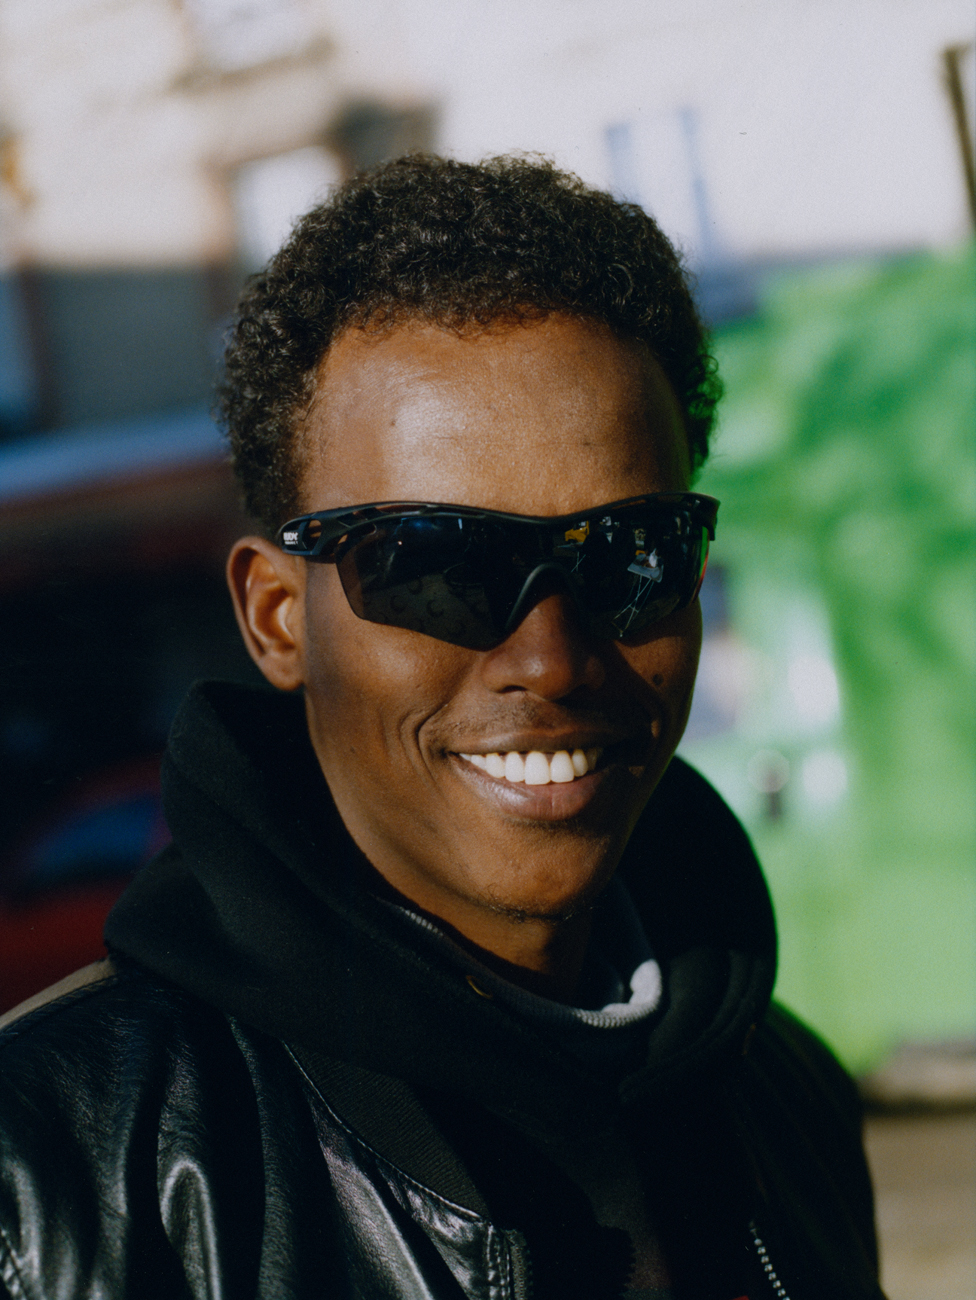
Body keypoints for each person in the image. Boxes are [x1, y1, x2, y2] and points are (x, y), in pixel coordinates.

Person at [0, 155, 884, 1300]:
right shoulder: (48, 1181)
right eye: (431, 561)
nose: (551, 659)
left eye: (630, 554)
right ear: (278, 618)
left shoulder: (785, 1097)